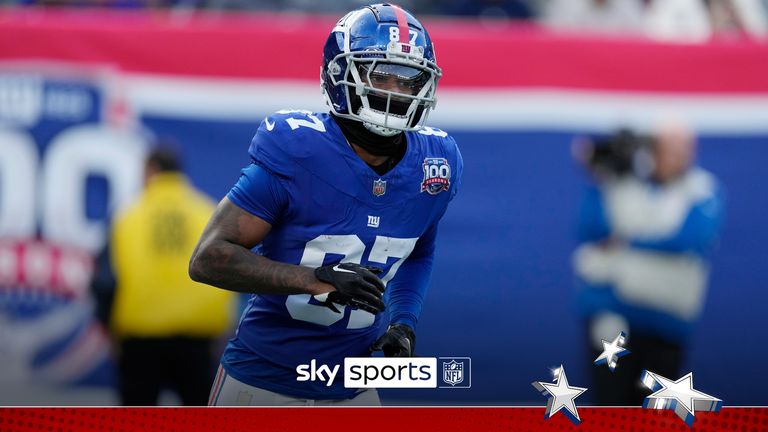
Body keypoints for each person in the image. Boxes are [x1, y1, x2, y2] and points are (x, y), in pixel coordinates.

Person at [188, 3, 462, 406]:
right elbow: (208, 258)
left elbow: (418, 251)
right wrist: (315, 278)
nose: (396, 92)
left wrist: (404, 321)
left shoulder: (435, 163)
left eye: (407, 79)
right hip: (264, 382)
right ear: (340, 74)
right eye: (381, 75)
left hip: (356, 385)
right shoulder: (300, 149)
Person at [572, 121, 724, 405]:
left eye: (681, 148)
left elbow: (687, 239)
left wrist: (626, 244)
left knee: (656, 411)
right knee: (611, 409)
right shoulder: (627, 186)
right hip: (615, 322)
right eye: (664, 148)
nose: (674, 156)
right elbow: (591, 228)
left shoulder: (702, 190)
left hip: (666, 324)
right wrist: (600, 171)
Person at [107, 146, 235, 405]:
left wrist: (110, 328)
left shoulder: (128, 216)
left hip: (141, 333)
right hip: (198, 334)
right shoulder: (208, 212)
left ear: (151, 170)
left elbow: (105, 281)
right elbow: (229, 269)